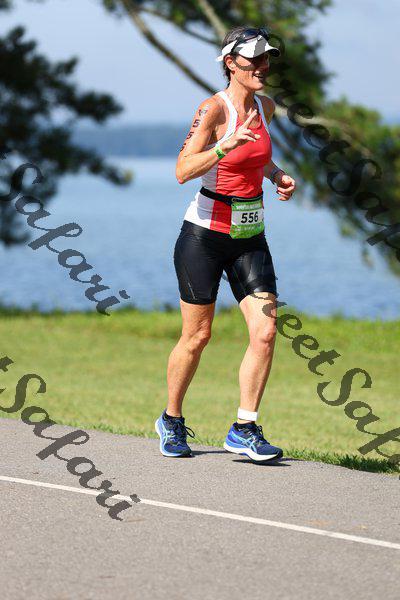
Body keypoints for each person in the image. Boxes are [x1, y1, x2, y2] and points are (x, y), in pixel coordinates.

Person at [155, 26, 296, 462]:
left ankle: (244, 428)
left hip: (249, 236)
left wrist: (276, 175)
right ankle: (171, 419)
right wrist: (223, 146)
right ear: (231, 63)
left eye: (267, 59)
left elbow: (257, 156)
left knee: (266, 331)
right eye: (254, 59)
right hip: (204, 236)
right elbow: (183, 170)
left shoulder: (265, 107)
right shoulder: (213, 109)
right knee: (198, 336)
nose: (263, 67)